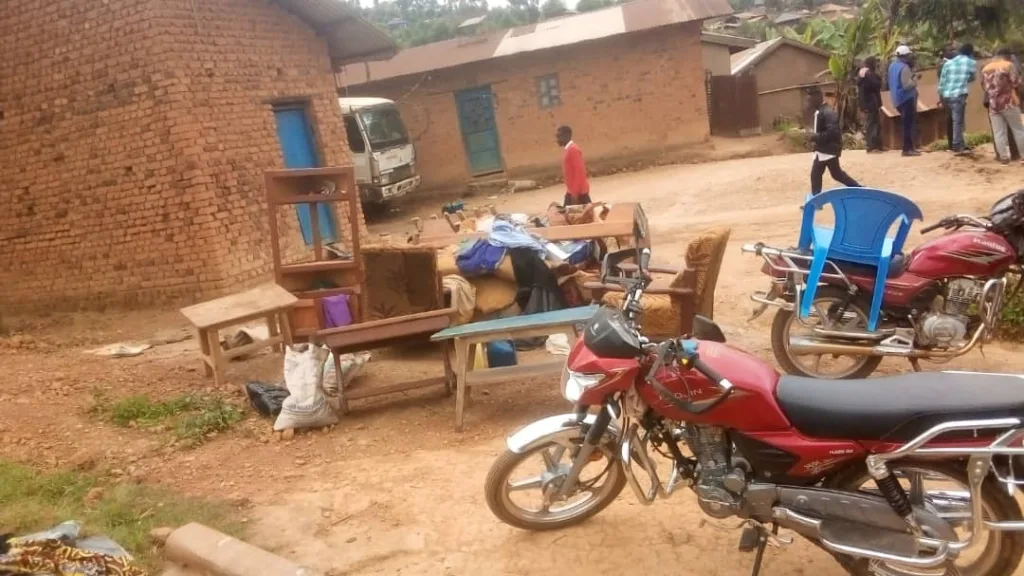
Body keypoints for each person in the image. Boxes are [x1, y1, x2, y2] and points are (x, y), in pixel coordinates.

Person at [807, 88, 861, 196]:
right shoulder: (821, 111)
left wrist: (816, 137)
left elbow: (833, 132)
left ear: (817, 98)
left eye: (810, 100)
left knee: (819, 174)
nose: (808, 102)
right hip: (824, 149)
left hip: (828, 149)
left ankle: (816, 200)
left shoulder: (827, 112)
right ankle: (859, 188)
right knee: (833, 174)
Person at [981, 47, 1024, 166]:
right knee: (1018, 129)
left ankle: (1004, 158)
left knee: (998, 132)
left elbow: (984, 86)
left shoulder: (985, 68)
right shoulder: (1008, 65)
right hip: (1008, 102)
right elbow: (1015, 82)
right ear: (1007, 56)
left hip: (993, 104)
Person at [937, 43, 977, 154]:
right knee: (958, 121)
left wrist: (942, 96)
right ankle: (957, 146)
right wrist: (964, 79)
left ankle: (961, 144)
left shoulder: (948, 63)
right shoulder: (971, 62)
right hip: (959, 94)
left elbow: (942, 82)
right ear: (970, 52)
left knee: (955, 120)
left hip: (947, 95)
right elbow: (972, 77)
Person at [888, 45, 921, 156]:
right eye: (909, 55)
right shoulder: (904, 67)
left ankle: (908, 148)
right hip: (906, 98)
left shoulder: (892, 66)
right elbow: (907, 85)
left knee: (906, 124)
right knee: (908, 125)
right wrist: (915, 80)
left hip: (896, 98)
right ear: (905, 56)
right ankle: (907, 149)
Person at [556, 125, 591, 206]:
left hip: (579, 192)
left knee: (587, 216)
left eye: (559, 136)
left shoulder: (573, 150)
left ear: (566, 136)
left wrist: (575, 193)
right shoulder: (569, 149)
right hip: (573, 191)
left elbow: (580, 172)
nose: (557, 139)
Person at [857, 56, 884, 152]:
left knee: (875, 123)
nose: (876, 65)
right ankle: (871, 146)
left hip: (870, 103)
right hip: (870, 103)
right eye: (875, 63)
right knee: (872, 124)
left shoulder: (865, 74)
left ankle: (877, 145)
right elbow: (876, 85)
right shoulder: (868, 75)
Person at [936, 45, 956, 150]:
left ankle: (954, 142)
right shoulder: (943, 65)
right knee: (951, 119)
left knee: (954, 119)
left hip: (947, 94)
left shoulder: (944, 64)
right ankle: (952, 144)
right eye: (952, 50)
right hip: (947, 94)